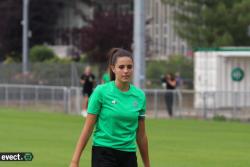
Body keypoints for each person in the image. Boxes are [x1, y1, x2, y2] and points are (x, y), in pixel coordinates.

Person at [70, 48, 150, 167]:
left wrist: (147, 164)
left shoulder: (139, 96)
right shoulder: (101, 92)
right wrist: (74, 161)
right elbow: (87, 129)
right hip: (103, 152)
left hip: (129, 154)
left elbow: (141, 135)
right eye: (121, 67)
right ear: (113, 68)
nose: (126, 71)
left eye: (129, 67)